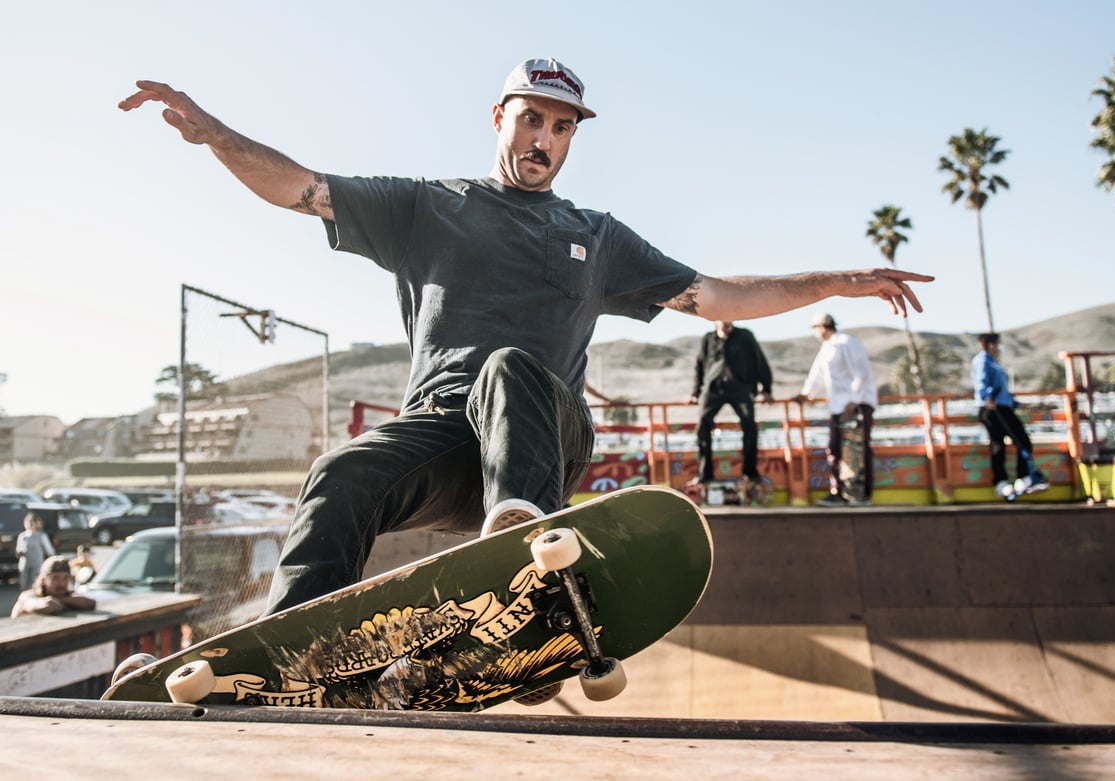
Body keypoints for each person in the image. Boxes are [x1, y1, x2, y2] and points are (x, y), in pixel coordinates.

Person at [118, 58, 931, 619]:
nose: (545, 138)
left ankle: (533, 560)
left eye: (562, 127)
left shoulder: (597, 234)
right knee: (341, 472)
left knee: (510, 368)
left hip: (546, 434)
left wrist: (832, 282)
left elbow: (715, 295)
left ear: (573, 136)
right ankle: (292, 644)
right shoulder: (426, 206)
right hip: (445, 442)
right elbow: (300, 188)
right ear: (500, 118)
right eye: (532, 119)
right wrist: (217, 134)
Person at [793, 313, 878, 505]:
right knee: (836, 449)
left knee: (856, 450)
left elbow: (862, 371)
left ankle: (860, 495)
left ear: (823, 327)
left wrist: (855, 399)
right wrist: (806, 394)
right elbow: (817, 375)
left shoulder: (846, 342)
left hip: (855, 406)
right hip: (839, 406)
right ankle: (839, 492)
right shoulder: (827, 348)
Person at [687, 321, 774, 489]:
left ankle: (750, 472)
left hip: (740, 387)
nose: (725, 322)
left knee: (749, 424)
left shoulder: (744, 336)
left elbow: (759, 360)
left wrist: (766, 388)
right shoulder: (708, 338)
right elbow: (700, 364)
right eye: (721, 319)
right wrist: (695, 392)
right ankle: (705, 474)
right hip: (714, 388)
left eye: (729, 318)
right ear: (715, 321)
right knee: (703, 425)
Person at [971, 333, 1049, 498]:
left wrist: (1017, 404)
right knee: (999, 445)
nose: (1000, 348)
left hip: (1003, 407)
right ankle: (1001, 483)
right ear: (991, 345)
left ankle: (1024, 478)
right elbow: (981, 382)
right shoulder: (983, 360)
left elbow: (1002, 390)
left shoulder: (994, 363)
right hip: (992, 409)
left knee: (1022, 440)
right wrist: (986, 398)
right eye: (998, 344)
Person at [10, 555, 97, 618]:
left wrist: (62, 601)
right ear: (44, 579)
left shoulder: (67, 595)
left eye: (65, 578)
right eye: (55, 578)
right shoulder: (28, 596)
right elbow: (49, 606)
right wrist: (67, 603)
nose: (61, 583)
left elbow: (90, 603)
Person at [15, 512, 55, 591]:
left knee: (34, 585)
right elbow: (18, 550)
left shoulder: (41, 536)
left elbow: (50, 551)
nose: (29, 525)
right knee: (24, 586)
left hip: (37, 565)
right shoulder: (22, 536)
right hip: (25, 564)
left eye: (31, 522)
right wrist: (19, 553)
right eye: (27, 522)